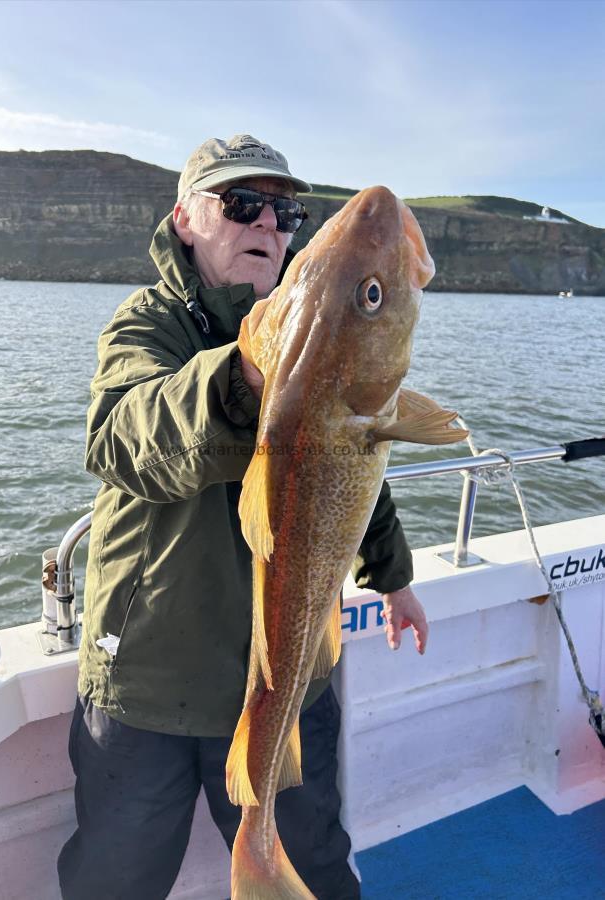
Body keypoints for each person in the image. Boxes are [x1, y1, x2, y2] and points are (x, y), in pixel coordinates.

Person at [57, 134, 428, 900]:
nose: (269, 225)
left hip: (287, 678)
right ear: (185, 218)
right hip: (150, 676)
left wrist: (392, 579)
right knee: (113, 879)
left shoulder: (323, 335)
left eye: (285, 211)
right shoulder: (147, 324)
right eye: (243, 204)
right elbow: (120, 439)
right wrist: (246, 374)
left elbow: (359, 471)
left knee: (315, 868)